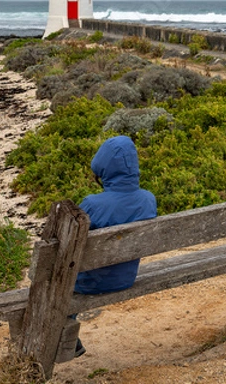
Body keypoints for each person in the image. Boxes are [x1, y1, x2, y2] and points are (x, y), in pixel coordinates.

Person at [73, 135, 157, 356]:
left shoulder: (92, 204)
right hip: (126, 277)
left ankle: (69, 341)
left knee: (56, 282)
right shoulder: (149, 199)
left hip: (91, 283)